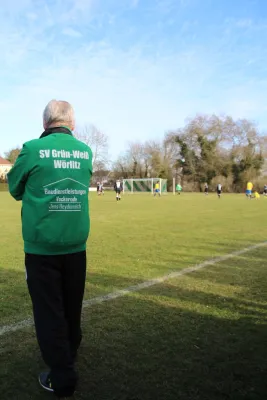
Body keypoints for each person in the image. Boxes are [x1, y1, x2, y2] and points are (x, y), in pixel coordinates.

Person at [7, 100, 93, 399]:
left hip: (42, 247)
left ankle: (62, 377)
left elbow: (15, 188)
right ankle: (70, 351)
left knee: (48, 312)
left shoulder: (31, 148)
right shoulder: (85, 151)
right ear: (72, 123)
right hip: (75, 243)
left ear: (45, 123)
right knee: (72, 304)